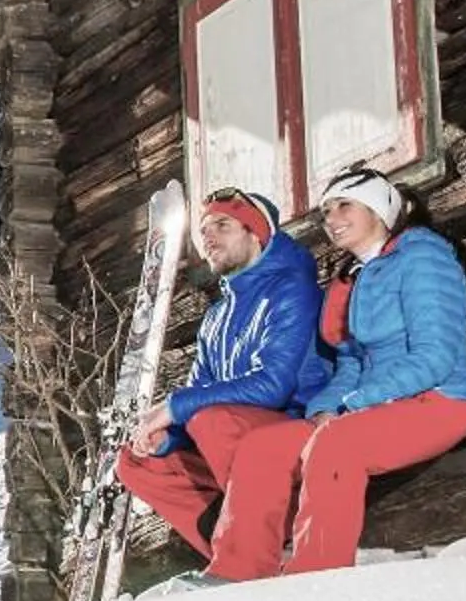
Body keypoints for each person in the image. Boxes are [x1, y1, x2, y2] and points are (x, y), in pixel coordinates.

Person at [200, 166, 466, 581]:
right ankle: (236, 573)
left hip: (439, 401)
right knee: (264, 446)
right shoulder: (353, 278)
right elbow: (350, 363)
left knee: (337, 442)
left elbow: (436, 356)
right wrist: (325, 406)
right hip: (370, 408)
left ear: (380, 208)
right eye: (326, 211)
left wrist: (352, 406)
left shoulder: (424, 256)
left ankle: (314, 578)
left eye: (344, 206)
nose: (331, 219)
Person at [114, 189, 326, 568]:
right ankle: (236, 542)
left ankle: (265, 537)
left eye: (223, 226)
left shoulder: (292, 289)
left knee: (212, 420)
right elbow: (201, 393)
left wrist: (176, 406)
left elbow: (273, 386)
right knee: (134, 461)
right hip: (234, 443)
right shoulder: (216, 317)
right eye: (204, 229)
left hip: (298, 432)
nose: (208, 237)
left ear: (256, 233)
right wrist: (165, 439)